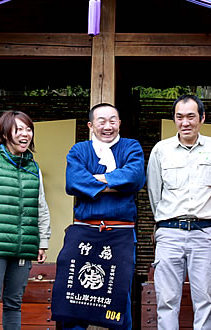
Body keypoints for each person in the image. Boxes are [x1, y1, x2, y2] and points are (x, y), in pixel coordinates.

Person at [51, 103, 145, 329]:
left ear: (119, 123)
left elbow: (134, 178)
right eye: (101, 121)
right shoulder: (79, 150)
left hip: (120, 232)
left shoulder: (131, 147)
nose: (107, 126)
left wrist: (94, 180)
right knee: (73, 293)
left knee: (119, 293)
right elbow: (74, 182)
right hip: (85, 228)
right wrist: (115, 182)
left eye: (113, 120)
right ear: (91, 125)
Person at [147, 94, 211, 330]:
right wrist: (164, 223)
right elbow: (155, 193)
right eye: (179, 117)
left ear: (202, 118)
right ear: (174, 119)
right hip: (169, 233)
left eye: (191, 116)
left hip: (204, 234)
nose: (185, 123)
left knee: (205, 300)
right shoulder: (161, 150)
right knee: (166, 300)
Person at [0, 110, 51, 330]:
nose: (25, 134)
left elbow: (40, 205)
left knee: (14, 303)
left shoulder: (34, 168)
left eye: (28, 129)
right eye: (19, 129)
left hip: (24, 247)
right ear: (5, 134)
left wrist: (42, 241)